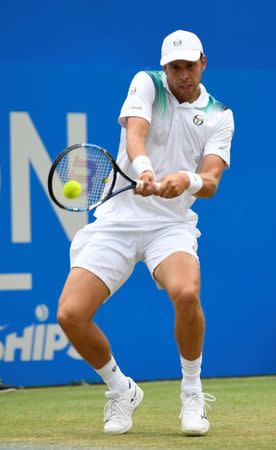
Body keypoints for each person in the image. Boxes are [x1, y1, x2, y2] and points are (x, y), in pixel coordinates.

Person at [57, 29, 234, 436]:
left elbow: (210, 180)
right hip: (118, 220)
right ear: (164, 68)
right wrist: (145, 170)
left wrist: (186, 180)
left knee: (187, 292)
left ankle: (191, 391)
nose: (183, 74)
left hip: (170, 225)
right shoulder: (146, 83)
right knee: (70, 314)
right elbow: (135, 133)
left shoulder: (220, 115)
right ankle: (120, 389)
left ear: (203, 62)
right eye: (175, 67)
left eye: (190, 65)